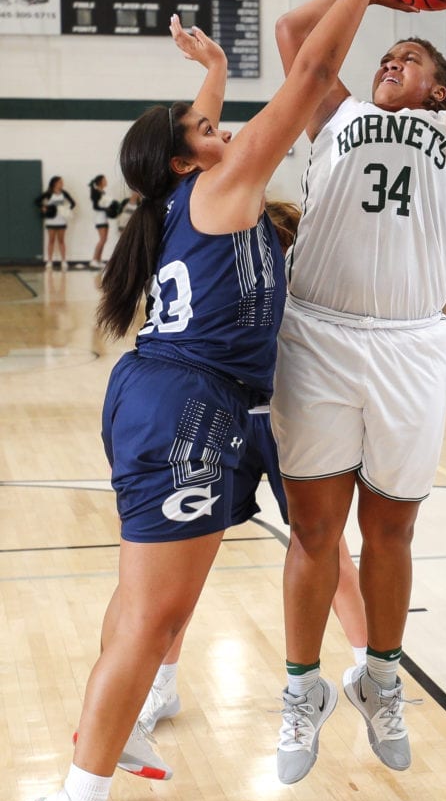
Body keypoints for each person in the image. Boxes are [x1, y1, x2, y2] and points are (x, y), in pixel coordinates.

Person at [27, 0, 391, 801]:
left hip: (183, 397)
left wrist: (216, 71)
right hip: (185, 405)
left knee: (144, 607)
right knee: (154, 615)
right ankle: (76, 800)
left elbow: (222, 114)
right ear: (190, 154)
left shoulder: (196, 190)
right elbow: (314, 68)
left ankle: (113, 731)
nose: (222, 124)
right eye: (206, 121)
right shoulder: (223, 187)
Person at [270, 0, 446, 785]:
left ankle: (380, 676)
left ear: (439, 88)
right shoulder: (334, 114)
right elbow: (296, 37)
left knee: (393, 526)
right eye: (384, 55)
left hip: (409, 345)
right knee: (315, 530)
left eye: (409, 58)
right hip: (321, 334)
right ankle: (302, 692)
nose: (388, 62)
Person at [136, 198, 369, 738]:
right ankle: (162, 686)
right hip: (234, 416)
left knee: (326, 551)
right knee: (190, 560)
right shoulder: (227, 277)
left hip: (289, 423)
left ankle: (365, 668)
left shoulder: (304, 286)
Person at [35, 175, 75, 269]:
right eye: (60, 182)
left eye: (62, 182)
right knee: (51, 240)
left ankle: (64, 260)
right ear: (55, 183)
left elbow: (73, 203)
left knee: (61, 240)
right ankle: (49, 260)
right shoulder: (49, 193)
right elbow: (37, 201)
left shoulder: (64, 193)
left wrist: (66, 210)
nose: (62, 184)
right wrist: (43, 207)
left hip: (61, 219)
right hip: (51, 220)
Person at [88, 174, 117, 269]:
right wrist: (106, 208)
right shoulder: (96, 192)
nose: (106, 181)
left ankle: (98, 260)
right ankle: (94, 260)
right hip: (99, 218)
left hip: (104, 218)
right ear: (100, 181)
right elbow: (95, 206)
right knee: (102, 239)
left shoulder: (102, 192)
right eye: (104, 180)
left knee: (104, 239)